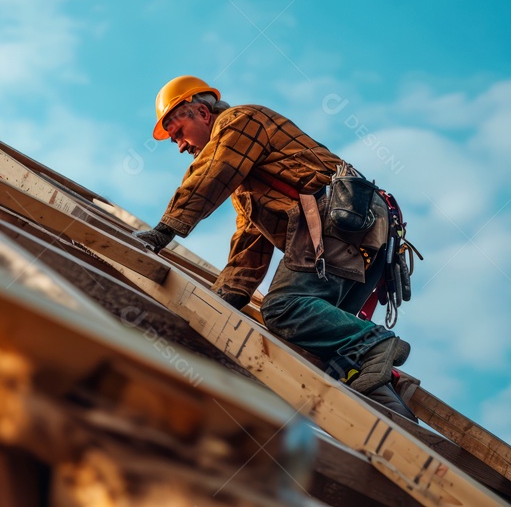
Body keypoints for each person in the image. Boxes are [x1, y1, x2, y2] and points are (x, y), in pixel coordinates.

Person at [133, 76, 416, 419]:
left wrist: (163, 232)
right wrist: (223, 302)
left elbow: (209, 176)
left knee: (283, 307)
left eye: (178, 132)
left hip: (337, 220)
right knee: (324, 344)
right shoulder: (248, 184)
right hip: (361, 235)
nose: (179, 146)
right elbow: (248, 246)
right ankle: (390, 408)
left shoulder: (240, 121)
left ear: (203, 113)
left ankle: (376, 344)